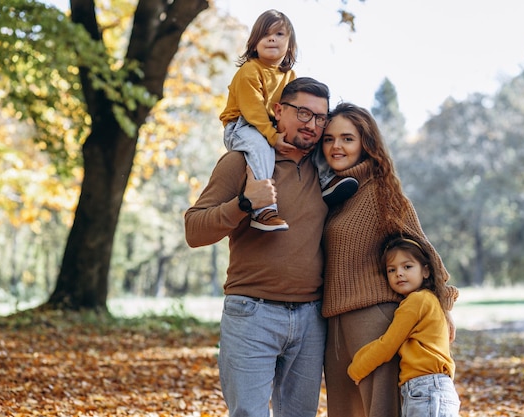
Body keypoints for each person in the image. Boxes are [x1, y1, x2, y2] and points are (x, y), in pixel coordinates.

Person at [186, 77, 330, 417]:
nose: (312, 125)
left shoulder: (327, 169)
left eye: (320, 117)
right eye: (303, 113)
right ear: (278, 110)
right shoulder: (243, 161)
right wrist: (244, 203)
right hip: (252, 313)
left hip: (311, 317)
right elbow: (194, 230)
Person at [317, 102, 459, 417]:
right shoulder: (331, 194)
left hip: (374, 321)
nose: (336, 146)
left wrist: (440, 309)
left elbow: (427, 255)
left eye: (347, 138)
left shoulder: (383, 194)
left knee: (381, 411)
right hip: (333, 324)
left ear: (366, 144)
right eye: (328, 139)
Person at [220, 10, 356, 231]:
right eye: (265, 34)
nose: (272, 38)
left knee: (311, 135)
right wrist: (273, 137)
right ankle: (263, 209)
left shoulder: (289, 76)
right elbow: (253, 110)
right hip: (241, 125)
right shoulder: (249, 71)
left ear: (290, 46)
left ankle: (327, 180)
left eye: (279, 34)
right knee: (260, 147)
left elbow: (289, 112)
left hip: (268, 124)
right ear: (254, 43)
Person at [347, 235, 461, 417]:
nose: (399, 273)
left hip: (426, 390)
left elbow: (387, 345)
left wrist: (356, 369)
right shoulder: (431, 300)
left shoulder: (416, 301)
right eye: (391, 270)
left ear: (425, 271)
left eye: (407, 267)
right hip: (432, 389)